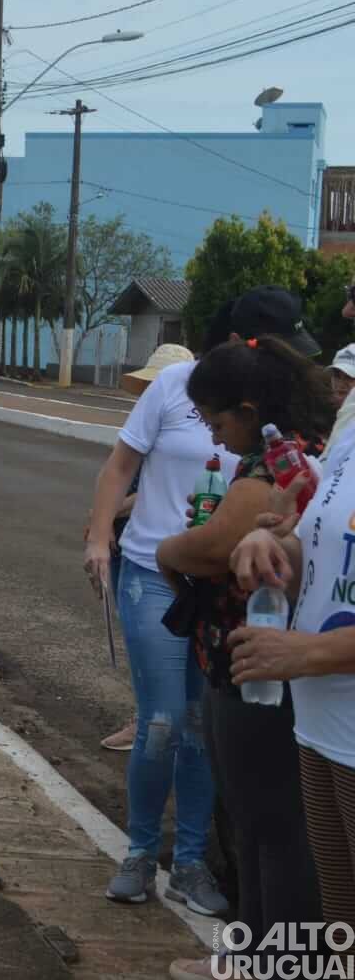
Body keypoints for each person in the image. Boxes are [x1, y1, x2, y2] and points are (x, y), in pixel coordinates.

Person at [156, 337, 330, 979]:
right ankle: (254, 955)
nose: (214, 434)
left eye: (218, 421)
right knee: (256, 824)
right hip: (250, 658)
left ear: (251, 408)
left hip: (263, 665)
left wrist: (168, 552)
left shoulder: (276, 470)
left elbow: (216, 546)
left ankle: (275, 963)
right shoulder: (283, 455)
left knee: (271, 825)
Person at [85, 331, 238, 912]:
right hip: (152, 571)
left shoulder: (260, 407)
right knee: (162, 721)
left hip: (222, 586)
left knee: (202, 726)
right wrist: (100, 538)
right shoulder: (172, 387)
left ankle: (191, 863)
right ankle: (141, 853)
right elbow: (120, 466)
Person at [231, 429, 355, 935]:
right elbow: (317, 549)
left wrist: (307, 652)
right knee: (342, 919)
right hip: (319, 723)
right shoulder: (350, 437)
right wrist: (273, 544)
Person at [96, 343, 195, 753]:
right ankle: (143, 712)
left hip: (153, 547)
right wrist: (100, 527)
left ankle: (146, 718)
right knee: (139, 636)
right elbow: (118, 471)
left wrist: (111, 512)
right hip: (127, 543)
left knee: (164, 657)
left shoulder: (188, 427)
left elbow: (157, 490)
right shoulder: (147, 418)